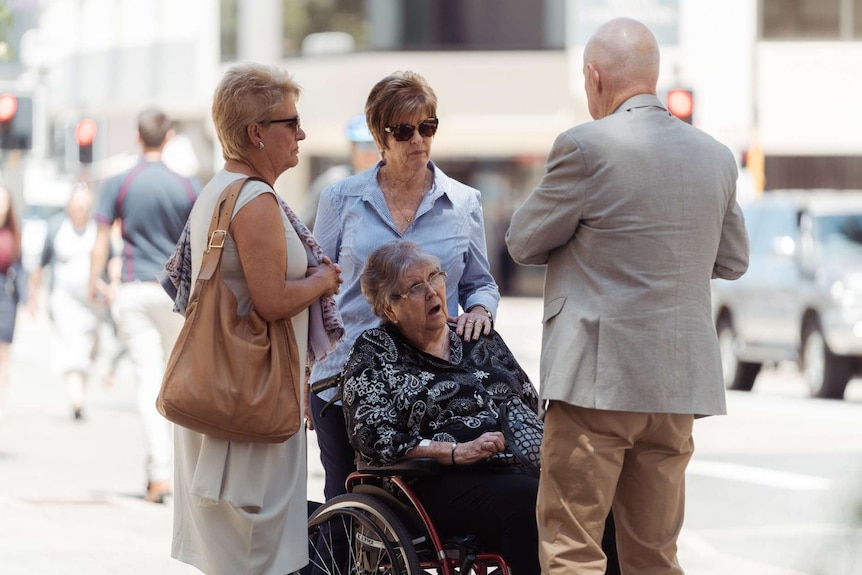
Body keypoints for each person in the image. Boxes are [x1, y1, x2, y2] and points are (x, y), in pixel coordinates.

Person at [505, 18, 750, 575]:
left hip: (597, 382)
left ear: (593, 77)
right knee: (654, 555)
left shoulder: (583, 148)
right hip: (675, 385)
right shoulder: (714, 156)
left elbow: (522, 241)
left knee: (573, 550)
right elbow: (733, 260)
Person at [166, 63, 342, 575]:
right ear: (255, 134)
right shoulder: (256, 200)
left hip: (223, 395)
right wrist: (322, 282)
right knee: (257, 556)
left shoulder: (219, 190)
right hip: (250, 405)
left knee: (235, 557)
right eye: (291, 122)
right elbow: (270, 300)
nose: (301, 133)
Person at [309, 70, 500, 502]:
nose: (418, 140)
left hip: (432, 387)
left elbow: (480, 283)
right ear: (380, 136)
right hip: (343, 381)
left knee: (429, 512)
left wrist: (480, 311)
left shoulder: (463, 202)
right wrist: (307, 376)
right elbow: (317, 292)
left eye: (427, 127)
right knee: (348, 501)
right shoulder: (340, 200)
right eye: (404, 131)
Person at [342, 239, 540, 575]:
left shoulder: (477, 334)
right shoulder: (374, 351)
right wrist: (454, 451)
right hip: (436, 481)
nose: (433, 291)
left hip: (516, 465)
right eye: (416, 287)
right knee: (531, 502)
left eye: (435, 277)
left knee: (591, 495)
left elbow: (529, 402)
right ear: (390, 309)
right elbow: (372, 436)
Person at [88, 108, 202, 503]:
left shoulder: (120, 182)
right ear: (168, 137)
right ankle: (181, 471)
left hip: (134, 290)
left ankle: (158, 473)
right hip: (174, 294)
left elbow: (102, 237)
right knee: (178, 385)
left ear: (138, 138)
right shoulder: (187, 185)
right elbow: (201, 242)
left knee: (148, 380)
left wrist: (95, 280)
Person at [28, 182, 110, 421]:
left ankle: (80, 390)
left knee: (89, 348)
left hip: (92, 300)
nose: (81, 209)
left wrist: (111, 283)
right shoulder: (56, 227)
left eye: (85, 205)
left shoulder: (98, 228)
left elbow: (111, 256)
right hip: (63, 298)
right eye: (77, 205)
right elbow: (40, 264)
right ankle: (77, 399)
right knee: (70, 346)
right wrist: (33, 296)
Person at [301, 113, 380, 229]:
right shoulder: (333, 181)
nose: (367, 152)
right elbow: (304, 222)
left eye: (372, 145)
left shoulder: (389, 185)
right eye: (362, 145)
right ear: (352, 147)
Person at [0, 186, 24, 421]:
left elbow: (19, 267)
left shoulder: (13, 233)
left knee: (4, 348)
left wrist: (25, 298)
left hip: (6, 296)